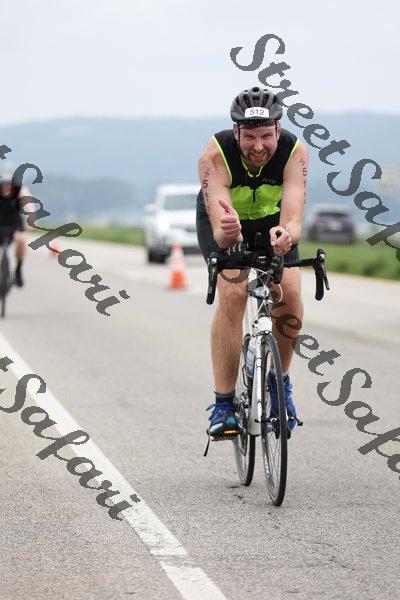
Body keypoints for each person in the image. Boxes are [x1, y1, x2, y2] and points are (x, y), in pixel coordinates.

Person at [196, 86, 308, 440]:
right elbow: (220, 233)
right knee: (233, 294)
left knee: (289, 294)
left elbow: (293, 220)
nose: (258, 146)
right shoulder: (213, 156)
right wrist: (228, 231)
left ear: (278, 129)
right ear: (236, 132)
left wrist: (286, 234)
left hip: (272, 222)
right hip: (226, 223)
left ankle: (280, 385)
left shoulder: (295, 152)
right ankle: (223, 404)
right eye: (249, 137)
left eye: (265, 136)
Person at [0, 164, 31, 287]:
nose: (7, 185)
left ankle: (18, 268)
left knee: (22, 240)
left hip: (15, 226)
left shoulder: (21, 189)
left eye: (10, 182)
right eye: (5, 182)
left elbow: (30, 207)